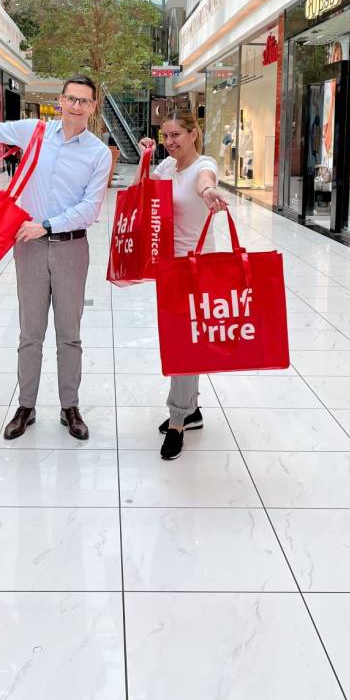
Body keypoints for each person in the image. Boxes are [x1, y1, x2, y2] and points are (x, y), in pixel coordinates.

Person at [0, 76, 112, 441]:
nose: (76, 106)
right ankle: (26, 407)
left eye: (84, 101)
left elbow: (90, 209)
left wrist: (45, 225)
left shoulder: (98, 153)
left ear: (93, 107)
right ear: (60, 101)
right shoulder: (35, 131)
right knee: (30, 333)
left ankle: (70, 407)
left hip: (70, 248)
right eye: (71, 99)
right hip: (28, 249)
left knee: (69, 336)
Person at [138, 109, 229, 461]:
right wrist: (146, 157)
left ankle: (178, 421)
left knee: (183, 344)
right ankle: (191, 410)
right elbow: (143, 193)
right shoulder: (167, 167)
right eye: (165, 136)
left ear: (193, 134)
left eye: (176, 134)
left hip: (195, 267)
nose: (170, 141)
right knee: (183, 340)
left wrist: (209, 192)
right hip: (168, 265)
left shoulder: (202, 166)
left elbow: (205, 181)